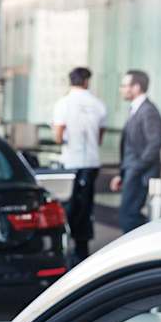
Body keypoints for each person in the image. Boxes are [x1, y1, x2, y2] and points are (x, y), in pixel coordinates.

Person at [52, 67, 107, 264]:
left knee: (68, 206)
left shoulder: (63, 104)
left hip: (71, 164)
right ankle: (82, 252)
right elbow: (100, 137)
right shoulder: (98, 104)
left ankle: (65, 249)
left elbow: (57, 136)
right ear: (86, 81)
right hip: (91, 163)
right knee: (86, 208)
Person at [110, 70, 161, 233]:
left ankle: (151, 244)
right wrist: (123, 173)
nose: (121, 89)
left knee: (129, 216)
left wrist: (135, 169)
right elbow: (130, 147)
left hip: (140, 174)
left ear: (136, 87)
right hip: (132, 171)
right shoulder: (135, 109)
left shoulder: (148, 111)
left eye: (124, 85)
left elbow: (154, 144)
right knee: (128, 214)